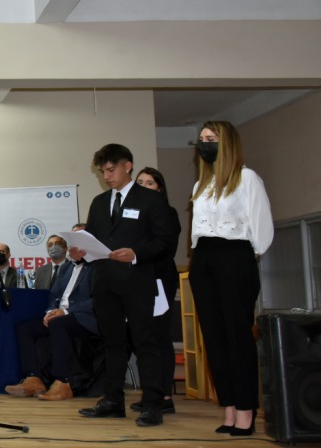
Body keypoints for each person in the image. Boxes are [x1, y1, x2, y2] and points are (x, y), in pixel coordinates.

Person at [69, 143, 176, 427]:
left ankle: (153, 403)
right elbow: (93, 241)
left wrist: (136, 254)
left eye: (111, 170)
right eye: (102, 171)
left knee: (145, 342)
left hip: (138, 281)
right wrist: (80, 252)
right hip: (104, 282)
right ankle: (113, 400)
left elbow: (165, 242)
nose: (106, 176)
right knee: (113, 343)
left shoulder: (150, 200)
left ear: (128, 166)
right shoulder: (100, 203)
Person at [189, 121, 273, 436]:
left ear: (227, 144)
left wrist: (242, 259)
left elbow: (262, 229)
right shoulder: (199, 186)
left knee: (237, 336)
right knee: (214, 338)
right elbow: (197, 233)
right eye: (200, 139)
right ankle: (229, 408)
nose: (203, 144)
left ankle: (246, 411)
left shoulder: (247, 178)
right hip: (204, 259)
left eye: (210, 139)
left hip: (234, 257)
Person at [4, 250, 96, 401]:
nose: (74, 248)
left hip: (84, 317)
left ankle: (63, 382)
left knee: (58, 324)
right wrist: (50, 311)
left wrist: (66, 311)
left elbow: (96, 300)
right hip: (59, 315)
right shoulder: (66, 267)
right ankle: (33, 378)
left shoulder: (96, 266)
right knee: (24, 329)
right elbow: (54, 295)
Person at [130, 167, 182, 415]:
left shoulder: (168, 213)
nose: (143, 186)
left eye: (149, 183)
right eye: (139, 182)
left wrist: (139, 259)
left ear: (159, 188)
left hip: (159, 279)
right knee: (143, 339)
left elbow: (165, 249)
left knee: (160, 338)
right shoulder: (132, 214)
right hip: (137, 280)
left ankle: (165, 396)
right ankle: (151, 392)